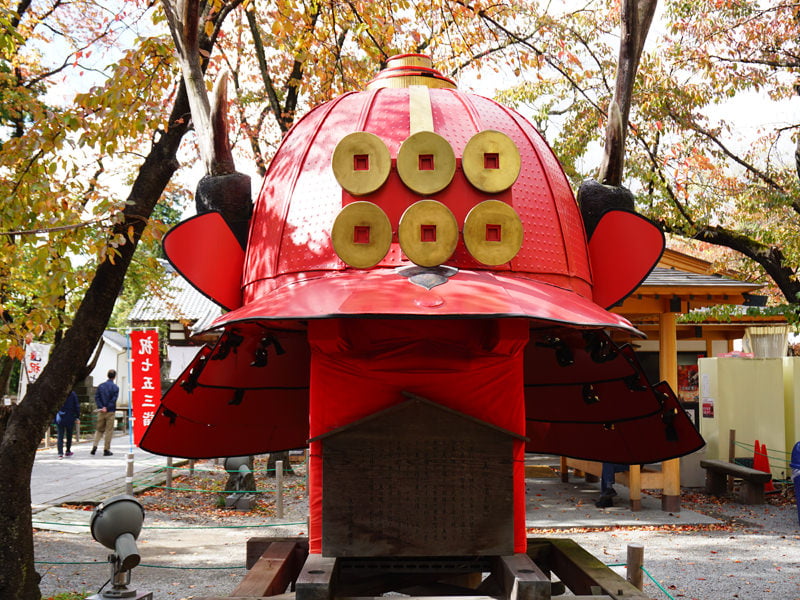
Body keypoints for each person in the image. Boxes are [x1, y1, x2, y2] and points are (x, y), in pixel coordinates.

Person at [91, 369, 118, 456]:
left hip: (101, 411)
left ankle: (94, 446)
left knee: (99, 430)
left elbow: (97, 397)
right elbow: (113, 400)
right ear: (114, 377)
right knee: (109, 431)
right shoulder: (115, 388)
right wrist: (107, 407)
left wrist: (101, 407)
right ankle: (106, 449)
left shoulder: (101, 386)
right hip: (110, 411)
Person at [55, 390, 80, 458]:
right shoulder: (72, 394)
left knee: (60, 436)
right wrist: (77, 416)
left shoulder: (58, 393)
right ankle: (68, 450)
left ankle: (60, 453)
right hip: (70, 417)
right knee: (69, 435)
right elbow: (76, 406)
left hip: (60, 417)